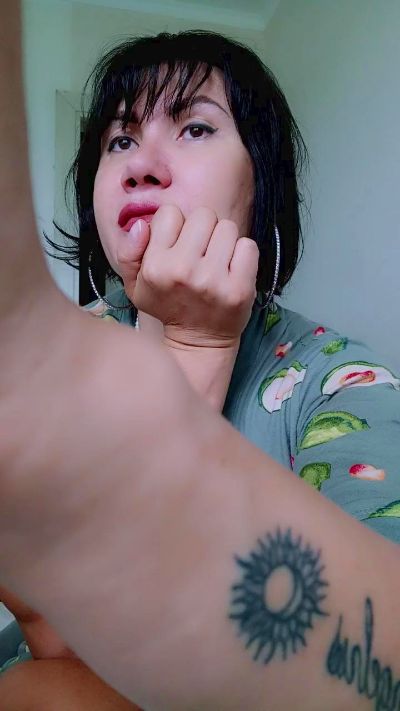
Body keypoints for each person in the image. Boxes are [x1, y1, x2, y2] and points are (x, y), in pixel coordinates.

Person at [1, 3, 400, 709]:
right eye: (119, 140)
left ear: (261, 182)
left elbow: (385, 661)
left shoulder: (339, 381)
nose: (140, 165)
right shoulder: (67, 350)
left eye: (194, 128)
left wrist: (196, 350)